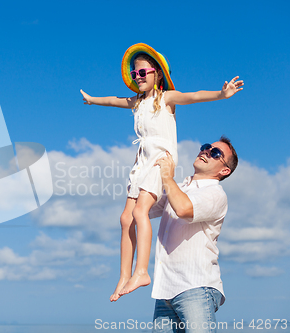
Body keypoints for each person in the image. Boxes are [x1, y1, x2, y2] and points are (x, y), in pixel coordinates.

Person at [80, 43, 243, 302]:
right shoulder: (137, 102)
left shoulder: (164, 98)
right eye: (135, 74)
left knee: (139, 211)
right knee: (125, 219)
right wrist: (92, 100)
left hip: (160, 160)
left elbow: (195, 96)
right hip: (141, 162)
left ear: (157, 74)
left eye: (143, 72)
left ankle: (142, 272)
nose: (139, 77)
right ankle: (124, 275)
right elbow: (113, 100)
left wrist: (221, 95)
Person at [150, 136, 238, 333]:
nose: (206, 152)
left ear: (224, 170)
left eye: (215, 153)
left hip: (196, 286)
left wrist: (166, 176)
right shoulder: (179, 187)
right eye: (206, 147)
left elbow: (183, 208)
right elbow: (145, 209)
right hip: (165, 290)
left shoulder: (215, 194)